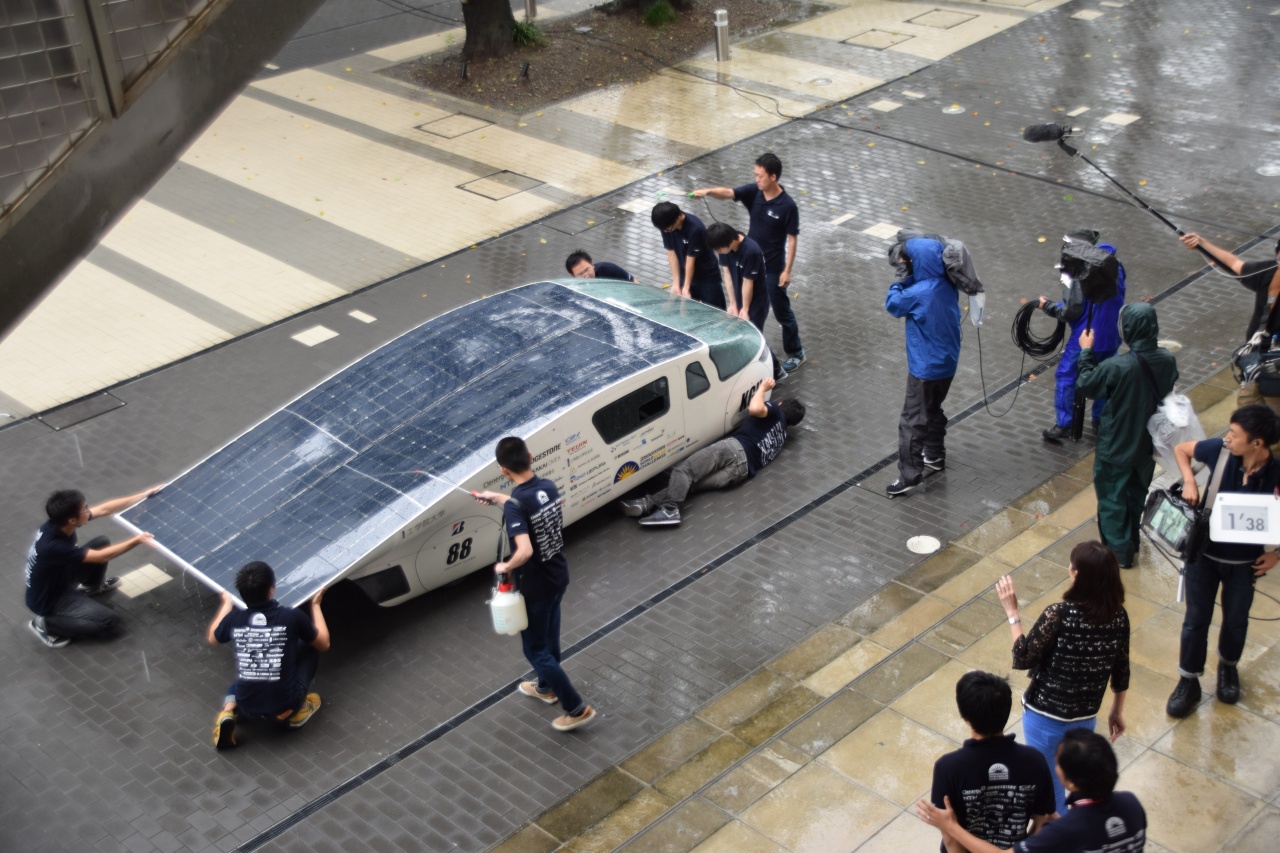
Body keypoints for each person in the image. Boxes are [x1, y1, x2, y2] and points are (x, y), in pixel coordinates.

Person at [997, 540, 1129, 816]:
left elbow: (1023, 657)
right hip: (1085, 720)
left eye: (1072, 565)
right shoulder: (1119, 617)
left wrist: (1012, 614)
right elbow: (1121, 668)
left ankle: (1062, 839)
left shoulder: (1059, 614)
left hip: (1045, 720)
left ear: (1078, 575)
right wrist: (1117, 710)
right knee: (1076, 784)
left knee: (1050, 790)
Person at [1165, 403, 1280, 717]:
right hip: (1204, 555)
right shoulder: (1219, 451)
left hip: (1245, 564)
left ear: (1257, 443)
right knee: (1195, 619)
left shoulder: (1276, 472)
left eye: (1234, 434)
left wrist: (1276, 555)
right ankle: (1188, 680)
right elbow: (1181, 450)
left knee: (1236, 619)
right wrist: (1189, 481)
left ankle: (1228, 667)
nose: (1227, 438)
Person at [475, 437, 595, 731]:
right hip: (558, 575)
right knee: (550, 635)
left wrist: (506, 565)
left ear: (504, 470)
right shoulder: (548, 487)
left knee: (535, 650)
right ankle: (546, 687)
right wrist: (499, 498)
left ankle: (576, 708)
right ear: (530, 457)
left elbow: (525, 551)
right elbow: (523, 503)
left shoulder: (516, 505)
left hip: (537, 585)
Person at [918, 729, 1147, 853]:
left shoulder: (1063, 832)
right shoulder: (1131, 804)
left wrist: (951, 827)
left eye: (1058, 763)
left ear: (1071, 783)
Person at [618, 378, 804, 526]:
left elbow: (755, 408)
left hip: (734, 450)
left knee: (684, 470)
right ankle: (646, 504)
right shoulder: (781, 436)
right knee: (689, 482)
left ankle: (669, 509)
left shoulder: (776, 412)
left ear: (781, 404)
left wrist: (762, 388)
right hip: (740, 473)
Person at [1077, 301, 1178, 566]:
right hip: (1146, 444)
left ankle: (1118, 554)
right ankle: (1131, 540)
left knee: (1112, 500)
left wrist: (1086, 352)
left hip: (1116, 444)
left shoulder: (1118, 366)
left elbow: (1087, 384)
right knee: (1135, 494)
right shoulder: (1167, 359)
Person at [693, 152, 806, 374]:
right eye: (755, 175)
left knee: (782, 311)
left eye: (760, 176)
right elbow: (728, 192)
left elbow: (792, 239)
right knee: (751, 310)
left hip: (773, 267)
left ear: (773, 177)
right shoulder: (755, 192)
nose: (756, 179)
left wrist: (787, 270)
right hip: (748, 261)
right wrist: (707, 191)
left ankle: (796, 352)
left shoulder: (787, 206)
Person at [928, 671, 1056, 853]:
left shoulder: (948, 768)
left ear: (965, 717)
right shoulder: (1034, 760)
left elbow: (950, 838)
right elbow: (1043, 821)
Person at [206, 561, 330, 749]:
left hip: (246, 704)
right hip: (284, 705)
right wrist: (316, 605)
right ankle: (297, 711)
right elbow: (324, 644)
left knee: (252, 669)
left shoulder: (234, 619)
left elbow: (213, 638)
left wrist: (226, 604)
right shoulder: (291, 616)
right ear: (271, 590)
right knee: (309, 644)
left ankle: (228, 712)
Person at [25, 486, 158, 648]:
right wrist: (137, 540)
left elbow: (104, 509)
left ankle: (91, 587)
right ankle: (45, 624)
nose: (89, 510)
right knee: (108, 621)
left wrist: (144, 495)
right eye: (85, 509)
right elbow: (103, 557)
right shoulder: (52, 546)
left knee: (101, 543)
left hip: (62, 576)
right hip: (51, 599)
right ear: (72, 520)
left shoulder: (59, 523)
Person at [884, 236, 962, 497]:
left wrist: (899, 279)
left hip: (924, 368)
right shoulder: (947, 284)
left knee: (912, 420)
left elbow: (893, 305)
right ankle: (935, 456)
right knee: (933, 409)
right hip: (947, 364)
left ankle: (909, 474)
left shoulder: (919, 292)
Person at [1038, 229, 1126, 443]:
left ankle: (1064, 424)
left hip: (1085, 335)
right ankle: (1100, 420)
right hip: (1111, 334)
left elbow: (1071, 311)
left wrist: (1048, 307)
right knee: (1105, 376)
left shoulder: (1077, 269)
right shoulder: (1115, 265)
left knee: (1067, 376)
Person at [1181, 233, 1280, 410]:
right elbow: (1234, 264)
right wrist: (1202, 244)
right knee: (1247, 422)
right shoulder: (1268, 272)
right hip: (1253, 369)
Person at [707, 221, 784, 378]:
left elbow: (749, 282)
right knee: (747, 337)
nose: (719, 252)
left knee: (753, 338)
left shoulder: (751, 252)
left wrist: (746, 309)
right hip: (740, 298)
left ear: (730, 241)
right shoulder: (725, 248)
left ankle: (775, 370)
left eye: (719, 249)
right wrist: (734, 304)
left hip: (756, 302)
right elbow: (727, 275)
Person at [651, 201, 725, 310]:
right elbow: (672, 253)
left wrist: (686, 288)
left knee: (715, 311)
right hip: (684, 273)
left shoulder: (695, 228)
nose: (666, 232)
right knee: (686, 311)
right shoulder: (666, 225)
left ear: (677, 219)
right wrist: (676, 283)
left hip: (706, 276)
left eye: (668, 229)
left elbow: (691, 260)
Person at [565, 249, 634, 282]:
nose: (586, 275)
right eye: (580, 274)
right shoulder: (574, 289)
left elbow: (633, 282)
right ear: (573, 276)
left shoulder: (609, 269)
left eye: (587, 270)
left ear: (592, 264)